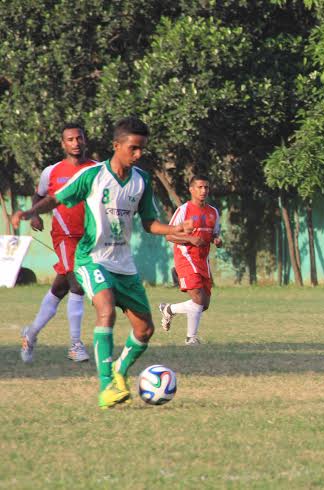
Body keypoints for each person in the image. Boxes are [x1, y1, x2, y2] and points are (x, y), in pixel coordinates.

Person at [13, 117, 193, 409]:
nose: (138, 155)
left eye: (141, 149)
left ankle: (120, 373)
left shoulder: (141, 180)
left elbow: (149, 222)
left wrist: (175, 230)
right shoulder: (93, 175)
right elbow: (56, 199)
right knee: (105, 308)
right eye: (133, 148)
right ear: (116, 145)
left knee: (145, 330)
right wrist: (30, 211)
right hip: (91, 258)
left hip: (124, 265)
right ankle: (105, 386)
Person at [19, 123, 96, 363]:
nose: (75, 143)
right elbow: (40, 195)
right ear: (63, 144)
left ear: (85, 141)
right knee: (78, 284)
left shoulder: (96, 169)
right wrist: (34, 215)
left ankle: (30, 334)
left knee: (60, 288)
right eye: (70, 139)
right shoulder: (51, 172)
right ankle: (75, 345)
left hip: (90, 238)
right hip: (64, 235)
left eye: (79, 138)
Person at [158, 175, 222, 345]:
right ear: (191, 190)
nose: (203, 191)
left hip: (203, 260)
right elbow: (169, 235)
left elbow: (215, 233)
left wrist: (217, 239)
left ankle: (169, 309)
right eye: (200, 187)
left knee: (204, 304)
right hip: (185, 257)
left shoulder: (213, 212)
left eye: (206, 187)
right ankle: (191, 338)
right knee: (198, 300)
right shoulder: (184, 210)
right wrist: (191, 239)